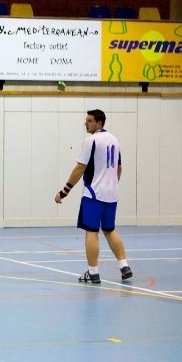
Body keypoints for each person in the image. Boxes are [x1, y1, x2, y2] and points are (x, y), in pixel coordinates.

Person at [54, 109, 132, 284]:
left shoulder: (91, 141)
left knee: (91, 231)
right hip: (112, 195)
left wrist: (64, 191)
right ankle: (124, 266)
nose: (86, 123)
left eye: (89, 121)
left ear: (99, 123)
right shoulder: (114, 140)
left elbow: (79, 169)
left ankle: (93, 272)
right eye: (86, 120)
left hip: (93, 194)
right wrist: (112, 185)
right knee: (109, 230)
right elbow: (119, 168)